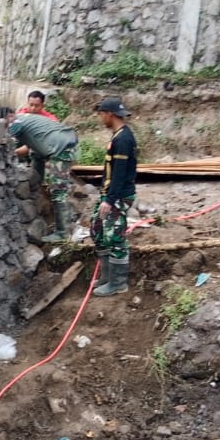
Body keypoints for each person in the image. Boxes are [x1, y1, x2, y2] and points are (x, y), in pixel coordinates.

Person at [7, 111, 78, 243]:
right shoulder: (25, 120)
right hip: (61, 139)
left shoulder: (16, 122)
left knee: (58, 190)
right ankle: (37, 185)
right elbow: (23, 147)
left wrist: (7, 149)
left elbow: (7, 140)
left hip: (62, 147)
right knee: (35, 154)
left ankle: (63, 233)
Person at [91, 97, 138, 297]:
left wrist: (110, 200)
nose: (101, 118)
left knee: (115, 236)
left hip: (118, 196)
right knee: (98, 230)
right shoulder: (118, 136)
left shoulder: (123, 140)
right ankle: (107, 276)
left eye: (101, 114)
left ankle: (118, 283)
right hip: (110, 194)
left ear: (109, 114)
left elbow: (119, 173)